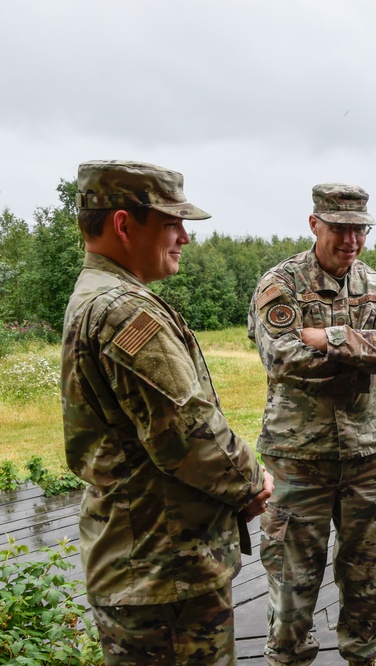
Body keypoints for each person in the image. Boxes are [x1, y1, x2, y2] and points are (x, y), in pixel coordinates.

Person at [61, 159, 274, 665]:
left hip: (144, 562)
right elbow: (189, 436)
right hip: (165, 573)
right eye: (171, 222)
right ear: (123, 223)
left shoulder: (99, 297)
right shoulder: (124, 310)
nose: (185, 236)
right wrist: (252, 481)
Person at [249, 183, 376, 666]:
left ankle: (363, 658)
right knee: (290, 584)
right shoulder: (279, 285)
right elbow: (282, 358)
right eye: (340, 229)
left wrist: (331, 337)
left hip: (367, 458)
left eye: (359, 230)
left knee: (370, 581)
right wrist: (366, 351)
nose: (351, 240)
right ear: (314, 224)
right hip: (297, 461)